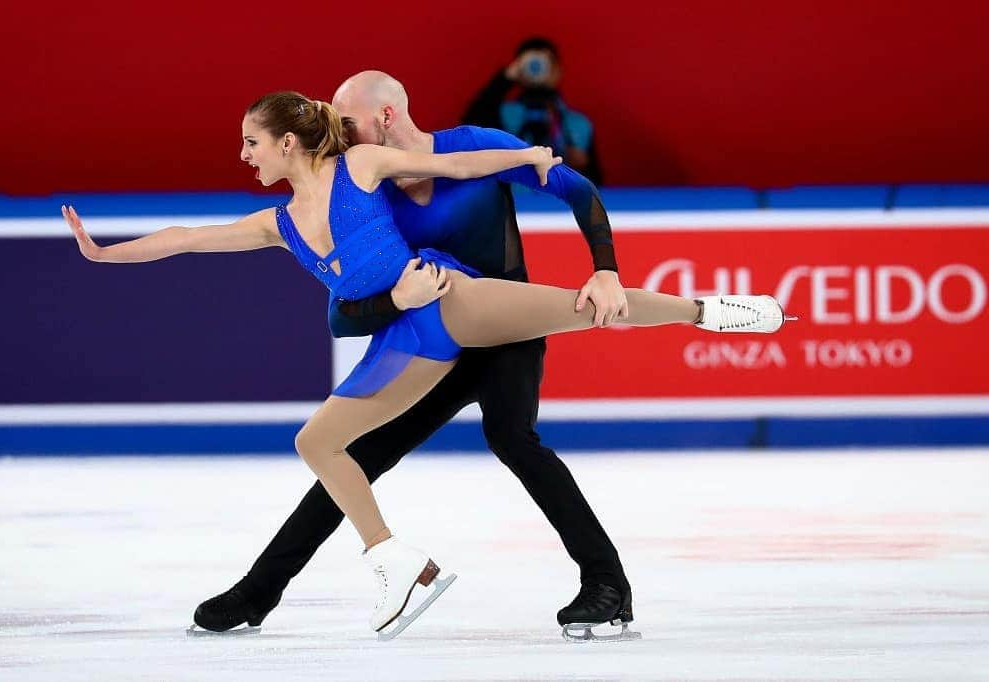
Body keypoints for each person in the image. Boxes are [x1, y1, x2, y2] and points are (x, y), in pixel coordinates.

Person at [62, 90, 790, 640]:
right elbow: (215, 248)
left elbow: (478, 167)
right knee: (335, 449)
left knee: (533, 404)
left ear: (377, 117)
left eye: (253, 142)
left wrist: (535, 170)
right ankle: (282, 587)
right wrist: (101, 251)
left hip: (478, 321)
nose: (247, 154)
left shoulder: (377, 162)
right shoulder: (289, 216)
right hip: (416, 336)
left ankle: (713, 318)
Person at [195, 70, 638, 644]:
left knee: (513, 438)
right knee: (356, 454)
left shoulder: (473, 146)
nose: (335, 133)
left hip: (501, 326)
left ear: (384, 117)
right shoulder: (362, 189)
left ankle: (608, 585)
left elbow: (576, 188)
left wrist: (604, 268)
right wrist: (395, 299)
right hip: (431, 346)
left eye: (346, 122)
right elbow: (342, 312)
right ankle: (259, 591)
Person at [463, 37, 603, 185]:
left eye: (547, 62)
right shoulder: (504, 115)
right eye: (531, 62)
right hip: (516, 202)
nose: (539, 67)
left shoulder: (578, 124)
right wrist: (505, 77)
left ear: (558, 69)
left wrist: (582, 167)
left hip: (561, 204)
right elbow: (470, 129)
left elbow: (598, 183)